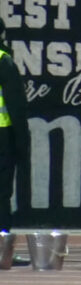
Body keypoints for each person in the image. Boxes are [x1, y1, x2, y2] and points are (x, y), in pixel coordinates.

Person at [0, 30, 27, 236]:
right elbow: (16, 105)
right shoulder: (4, 61)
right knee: (1, 193)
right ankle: (2, 249)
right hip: (2, 134)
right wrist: (22, 141)